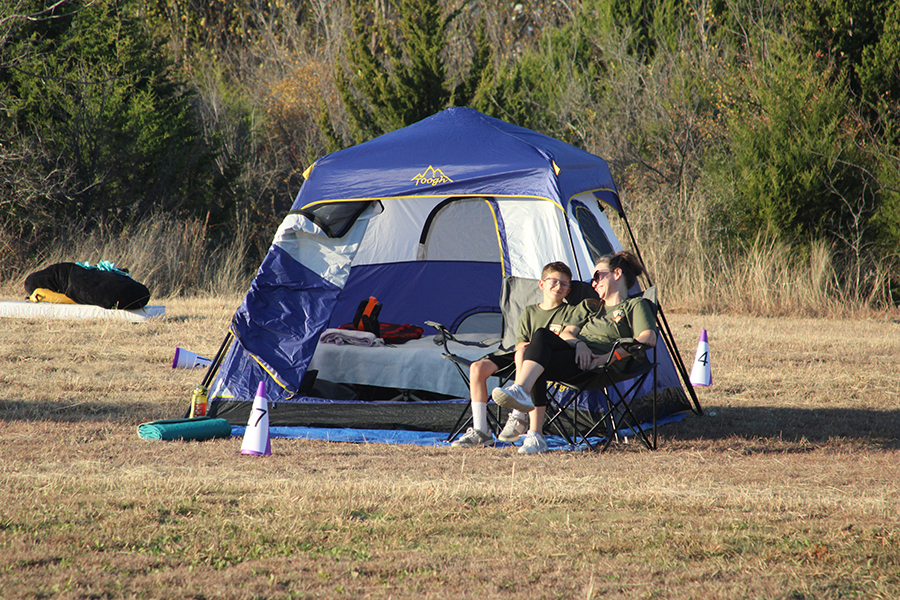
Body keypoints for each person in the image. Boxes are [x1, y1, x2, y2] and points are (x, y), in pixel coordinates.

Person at [491, 251, 657, 437]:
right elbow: (567, 333)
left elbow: (648, 338)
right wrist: (580, 345)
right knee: (539, 341)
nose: (593, 283)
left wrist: (609, 357)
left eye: (597, 276)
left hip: (598, 365)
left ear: (617, 274)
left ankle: (527, 414)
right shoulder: (590, 306)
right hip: (575, 355)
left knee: (538, 359)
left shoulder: (635, 305)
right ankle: (528, 414)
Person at [451, 261, 579, 454]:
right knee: (477, 368)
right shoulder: (530, 311)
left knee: (530, 355)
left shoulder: (570, 312)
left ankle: (519, 415)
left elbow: (567, 338)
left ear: (569, 290)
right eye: (553, 281)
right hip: (519, 354)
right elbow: (520, 342)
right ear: (541, 284)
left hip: (549, 357)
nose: (558, 287)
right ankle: (481, 431)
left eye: (564, 284)